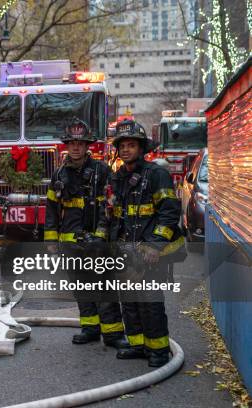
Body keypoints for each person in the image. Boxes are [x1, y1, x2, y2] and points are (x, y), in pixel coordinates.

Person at [44, 119, 127, 348]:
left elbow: (111, 206)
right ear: (66, 146)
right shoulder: (59, 175)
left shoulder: (102, 171)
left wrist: (101, 234)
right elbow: (52, 210)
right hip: (70, 242)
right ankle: (90, 328)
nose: (76, 147)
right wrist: (51, 240)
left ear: (87, 145)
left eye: (80, 143)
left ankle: (113, 334)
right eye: (72, 143)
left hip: (97, 241)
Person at [109, 120, 184, 367]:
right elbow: (117, 215)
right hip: (127, 251)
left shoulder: (157, 174)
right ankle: (139, 345)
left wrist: (155, 245)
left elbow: (170, 212)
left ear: (141, 148)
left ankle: (159, 350)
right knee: (129, 301)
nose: (126, 150)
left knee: (149, 301)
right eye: (123, 146)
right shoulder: (119, 177)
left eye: (132, 145)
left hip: (150, 250)